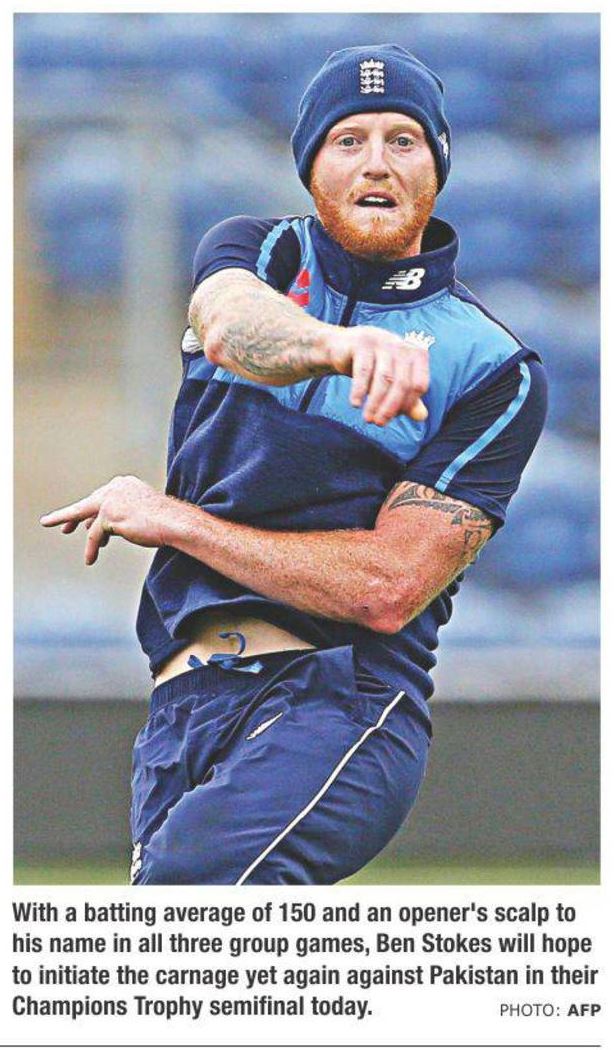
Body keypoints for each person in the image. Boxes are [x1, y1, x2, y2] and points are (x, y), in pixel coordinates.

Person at [40, 44, 547, 885]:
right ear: (310, 166)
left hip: (335, 700)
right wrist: (338, 348)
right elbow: (231, 327)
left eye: (403, 140)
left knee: (181, 916)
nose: (376, 163)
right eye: (348, 140)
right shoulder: (256, 252)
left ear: (437, 167)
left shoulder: (494, 368)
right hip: (180, 709)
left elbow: (387, 588)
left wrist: (179, 524)